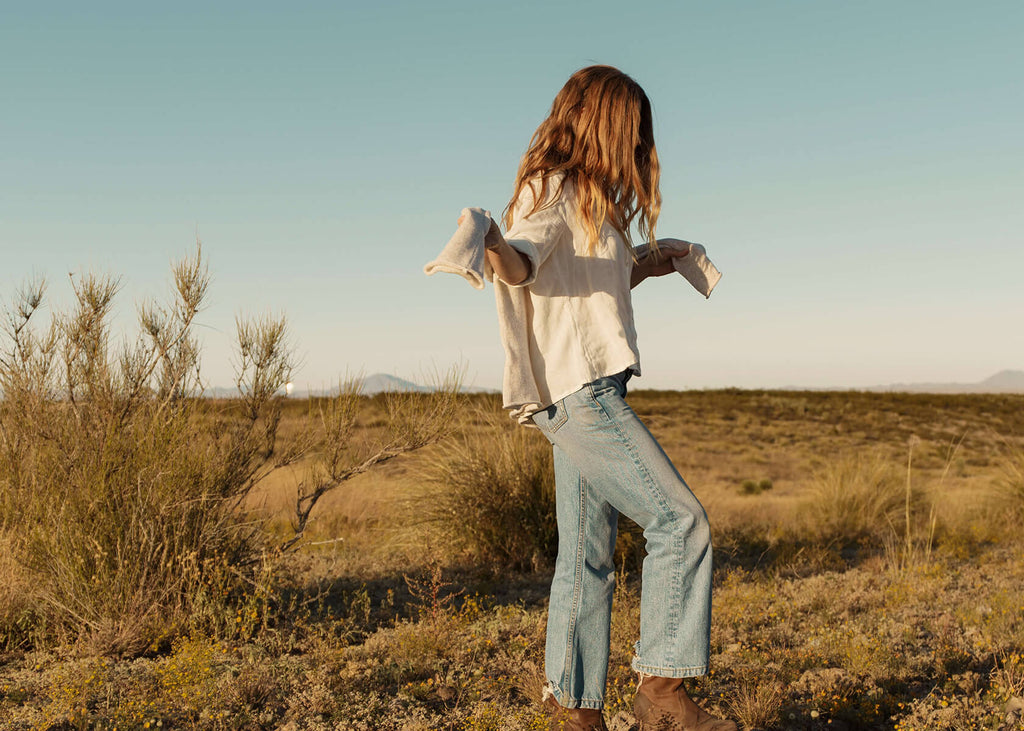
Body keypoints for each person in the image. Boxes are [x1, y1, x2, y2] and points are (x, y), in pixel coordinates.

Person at [479, 66, 737, 731]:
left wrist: (649, 259)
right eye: (632, 129)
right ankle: (660, 693)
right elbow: (525, 260)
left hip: (585, 389)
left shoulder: (589, 200)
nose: (639, 144)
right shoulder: (554, 188)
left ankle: (577, 712)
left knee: (585, 558)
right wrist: (491, 246)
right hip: (582, 392)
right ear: (601, 122)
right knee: (680, 520)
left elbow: (591, 278)